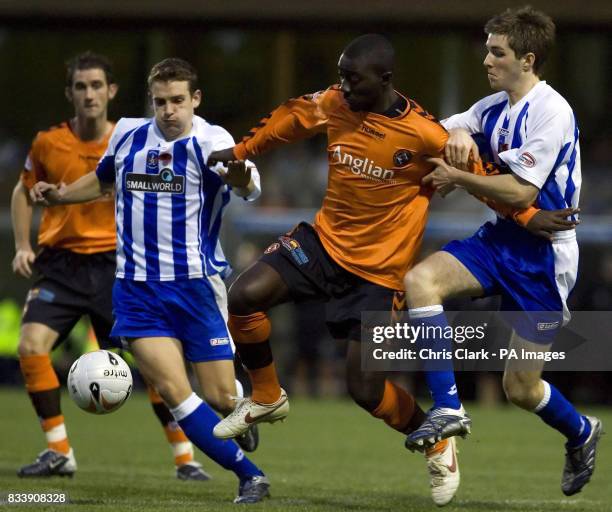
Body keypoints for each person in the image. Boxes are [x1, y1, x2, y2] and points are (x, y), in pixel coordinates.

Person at [206, 34, 562, 506]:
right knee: (245, 295)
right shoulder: (336, 103)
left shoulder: (424, 134)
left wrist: (531, 217)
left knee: (366, 389)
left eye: (354, 80)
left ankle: (437, 442)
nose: (344, 88)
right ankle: (267, 395)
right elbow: (292, 118)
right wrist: (242, 151)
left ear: (385, 80)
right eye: (341, 78)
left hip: (378, 274)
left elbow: (481, 181)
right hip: (323, 244)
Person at [30, 57, 270, 504]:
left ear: (194, 100)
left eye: (178, 101)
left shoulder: (213, 139)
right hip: (136, 290)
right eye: (160, 102)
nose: (168, 110)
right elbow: (102, 180)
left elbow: (247, 183)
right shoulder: (128, 134)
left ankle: (238, 405)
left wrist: (235, 171)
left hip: (196, 287)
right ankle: (250, 476)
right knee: (177, 396)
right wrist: (61, 196)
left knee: (219, 398)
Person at [402, 6, 602, 497]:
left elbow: (520, 193)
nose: (487, 60)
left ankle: (582, 431)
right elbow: (441, 129)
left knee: (521, 388)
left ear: (527, 59)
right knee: (420, 282)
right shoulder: (492, 106)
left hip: (544, 255)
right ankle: (448, 407)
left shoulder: (553, 112)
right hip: (500, 240)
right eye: (487, 50)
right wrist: (459, 131)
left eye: (498, 52)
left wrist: (457, 174)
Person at [11, 52, 217, 481]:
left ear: (112, 91)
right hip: (62, 266)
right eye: (81, 86)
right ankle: (59, 451)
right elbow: (22, 189)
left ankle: (185, 457)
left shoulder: (132, 138)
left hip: (115, 266)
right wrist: (20, 244)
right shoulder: (48, 142)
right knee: (30, 345)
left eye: (96, 85)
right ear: (70, 93)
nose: (89, 94)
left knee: (155, 365)